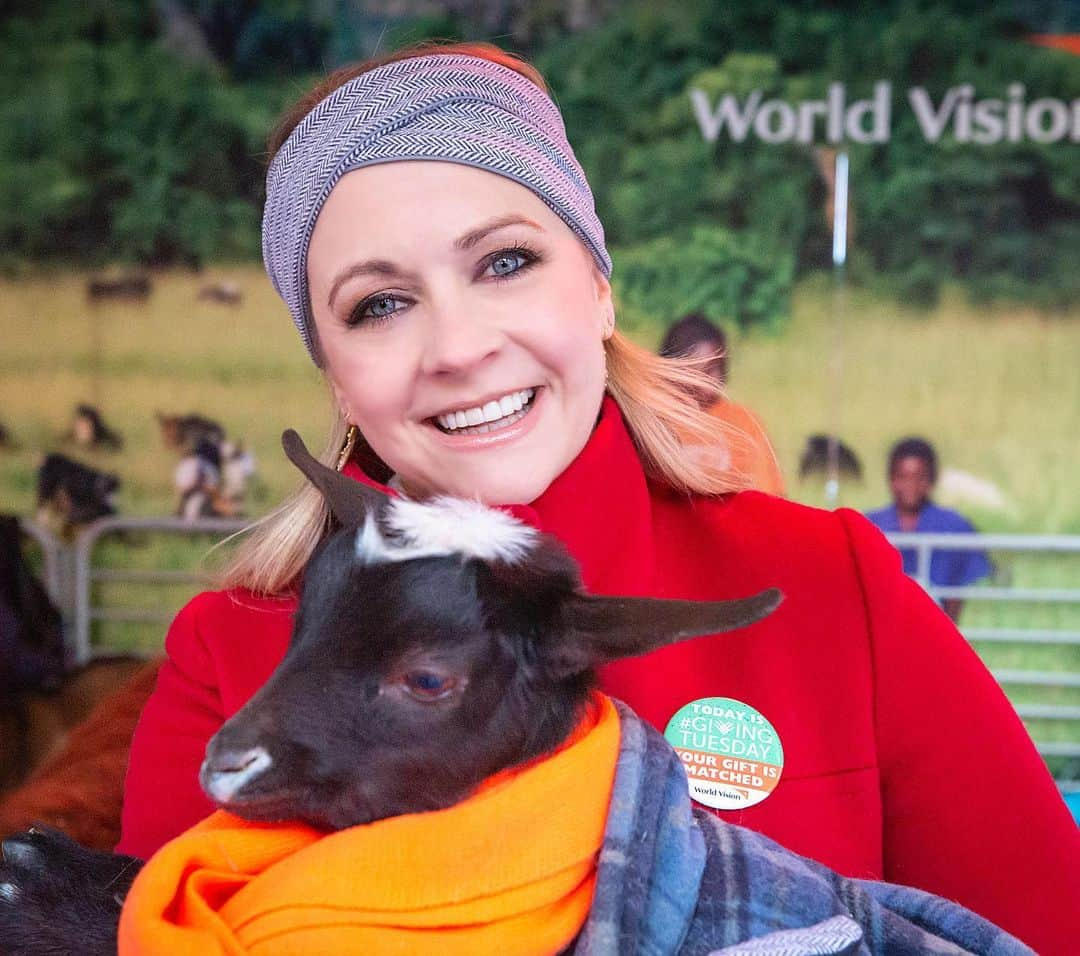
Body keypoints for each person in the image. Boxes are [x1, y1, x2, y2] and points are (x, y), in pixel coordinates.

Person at [116, 42, 1078, 953]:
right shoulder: (227, 655)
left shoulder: (829, 588)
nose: (458, 347)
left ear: (600, 289)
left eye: (504, 262)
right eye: (380, 304)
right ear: (334, 375)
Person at [866, 437, 992, 623]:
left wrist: (946, 633)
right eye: (903, 477)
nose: (911, 485)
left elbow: (958, 587)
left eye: (920, 477)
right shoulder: (870, 525)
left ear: (932, 480)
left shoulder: (954, 526)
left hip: (934, 625)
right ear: (891, 479)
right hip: (883, 626)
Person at [659, 312, 784, 495]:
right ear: (678, 370)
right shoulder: (655, 421)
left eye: (720, 368)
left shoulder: (744, 423)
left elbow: (770, 499)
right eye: (706, 371)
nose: (717, 379)